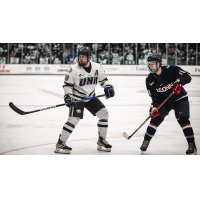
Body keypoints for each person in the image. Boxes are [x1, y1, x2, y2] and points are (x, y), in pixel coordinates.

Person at [54, 46, 115, 154]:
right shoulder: (73, 70)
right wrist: (68, 96)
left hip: (91, 97)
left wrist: (108, 87)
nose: (81, 58)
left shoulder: (97, 67)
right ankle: (60, 143)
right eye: (80, 56)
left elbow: (104, 81)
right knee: (73, 120)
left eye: (83, 57)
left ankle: (102, 141)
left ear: (89, 57)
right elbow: (67, 86)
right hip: (77, 98)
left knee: (104, 114)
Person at [140, 53, 197, 155]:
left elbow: (187, 76)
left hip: (180, 98)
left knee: (183, 120)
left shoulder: (171, 69)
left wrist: (179, 81)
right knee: (155, 120)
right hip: (165, 101)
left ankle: (191, 144)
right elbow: (155, 96)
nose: (151, 66)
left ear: (159, 63)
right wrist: (155, 106)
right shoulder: (149, 79)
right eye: (150, 64)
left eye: (153, 64)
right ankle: (146, 141)